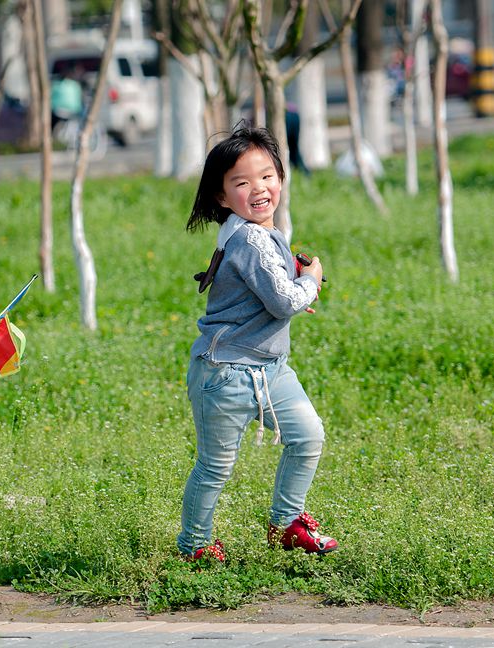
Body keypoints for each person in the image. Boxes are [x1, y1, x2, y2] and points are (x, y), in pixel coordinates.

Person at [178, 125, 337, 563]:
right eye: (242, 182)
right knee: (215, 467)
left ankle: (287, 525)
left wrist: (286, 290)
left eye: (267, 176)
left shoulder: (252, 232)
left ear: (281, 179)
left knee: (307, 437)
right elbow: (284, 300)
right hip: (226, 374)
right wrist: (310, 282)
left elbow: (265, 293)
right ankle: (194, 547)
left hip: (270, 371)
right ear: (221, 196)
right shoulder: (250, 237)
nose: (259, 188)